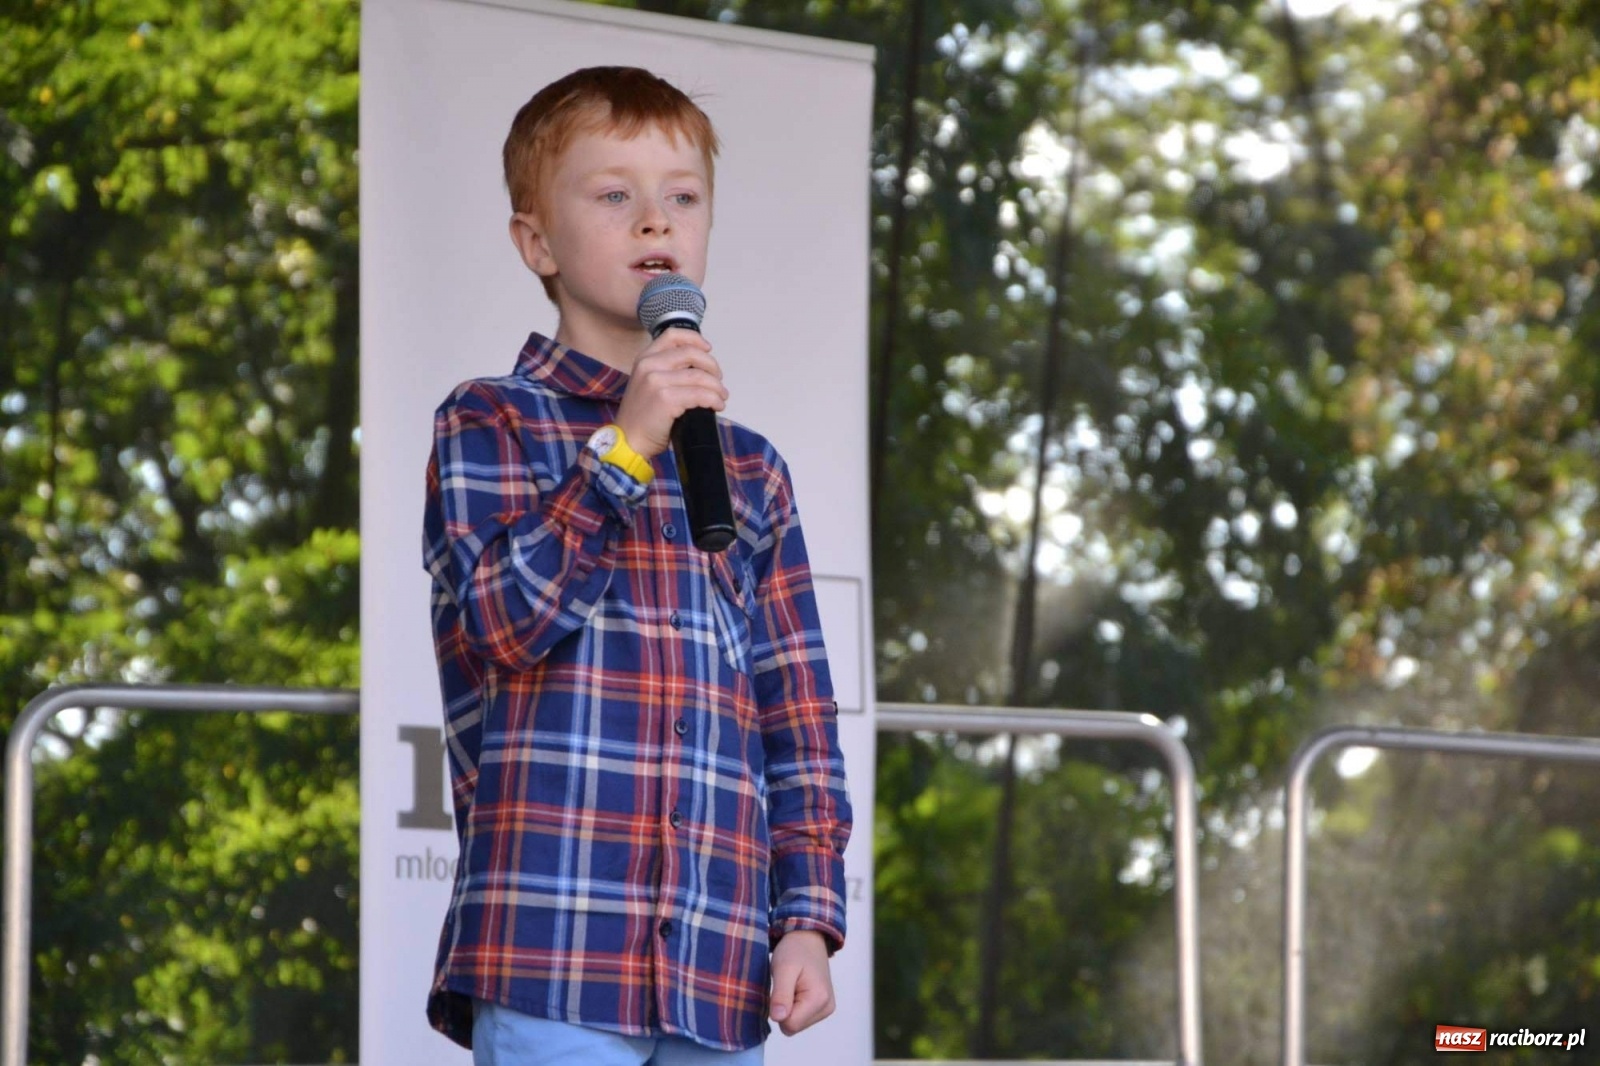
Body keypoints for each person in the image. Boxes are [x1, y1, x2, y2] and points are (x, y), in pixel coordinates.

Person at [421, 66, 852, 1066]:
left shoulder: (749, 469)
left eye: (683, 197)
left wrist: (807, 918)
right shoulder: (488, 419)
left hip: (716, 969)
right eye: (614, 195)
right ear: (537, 242)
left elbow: (797, 715)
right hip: (553, 953)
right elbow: (499, 625)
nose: (655, 219)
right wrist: (623, 448)